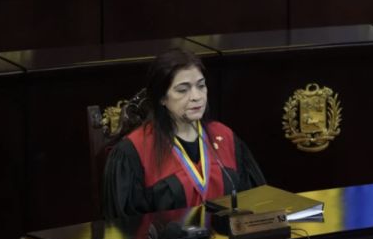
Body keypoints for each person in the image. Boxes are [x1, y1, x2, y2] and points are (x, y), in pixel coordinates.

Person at [102, 48, 265, 219]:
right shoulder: (133, 153)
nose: (197, 96)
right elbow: (123, 230)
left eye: (201, 86)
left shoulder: (226, 138)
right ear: (161, 98)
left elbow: (256, 207)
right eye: (182, 90)